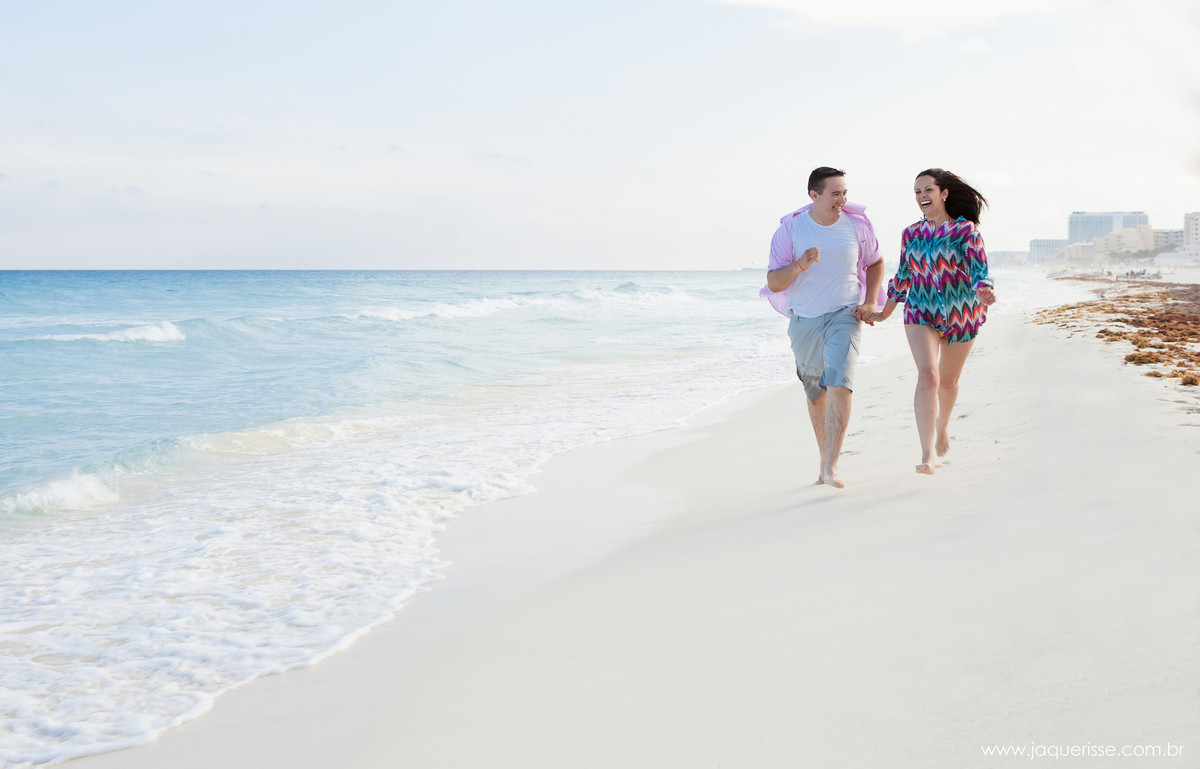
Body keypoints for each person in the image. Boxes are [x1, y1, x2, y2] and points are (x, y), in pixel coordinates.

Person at [761, 167, 886, 488]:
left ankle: (832, 466)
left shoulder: (856, 226)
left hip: (845, 314)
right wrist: (800, 265)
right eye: (835, 194)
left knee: (840, 383)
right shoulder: (791, 230)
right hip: (804, 319)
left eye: (844, 193)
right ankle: (824, 460)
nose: (842, 200)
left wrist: (869, 301)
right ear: (814, 196)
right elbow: (774, 283)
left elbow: (875, 262)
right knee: (816, 394)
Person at [866, 168, 997, 475]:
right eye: (917, 192)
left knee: (948, 383)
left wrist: (984, 291)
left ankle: (943, 426)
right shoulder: (911, 234)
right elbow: (903, 277)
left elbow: (979, 271)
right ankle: (927, 455)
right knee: (928, 376)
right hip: (920, 311)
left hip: (961, 314)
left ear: (943, 193)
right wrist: (885, 312)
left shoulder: (966, 231)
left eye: (927, 190)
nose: (921, 196)